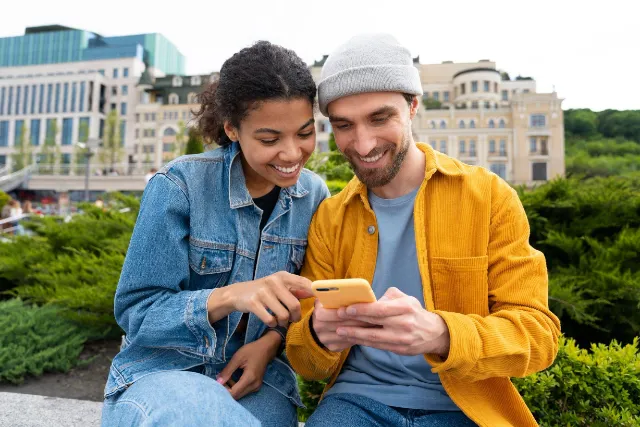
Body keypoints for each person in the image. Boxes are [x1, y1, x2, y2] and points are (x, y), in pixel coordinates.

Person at [286, 34, 561, 427]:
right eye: (344, 125)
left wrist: (441, 334)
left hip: (466, 407)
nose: (363, 144)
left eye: (380, 118)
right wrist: (317, 333)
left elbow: (539, 336)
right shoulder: (330, 217)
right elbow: (304, 360)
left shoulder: (489, 197)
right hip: (354, 405)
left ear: (413, 106)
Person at [101, 41, 329, 427]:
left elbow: (310, 303)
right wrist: (226, 297)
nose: (292, 154)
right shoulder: (180, 185)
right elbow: (137, 315)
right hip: (163, 371)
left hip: (259, 381)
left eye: (305, 133)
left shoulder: (315, 196)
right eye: (270, 139)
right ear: (231, 129)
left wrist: (269, 344)